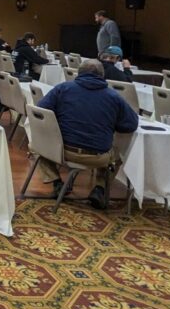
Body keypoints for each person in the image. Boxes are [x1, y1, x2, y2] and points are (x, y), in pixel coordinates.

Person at [35, 59, 139, 209]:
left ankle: (57, 183)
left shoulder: (62, 89)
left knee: (36, 146)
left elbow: (40, 111)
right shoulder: (114, 97)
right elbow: (131, 125)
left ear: (79, 72)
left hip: (62, 152)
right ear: (102, 75)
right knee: (118, 153)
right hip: (97, 157)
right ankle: (100, 188)